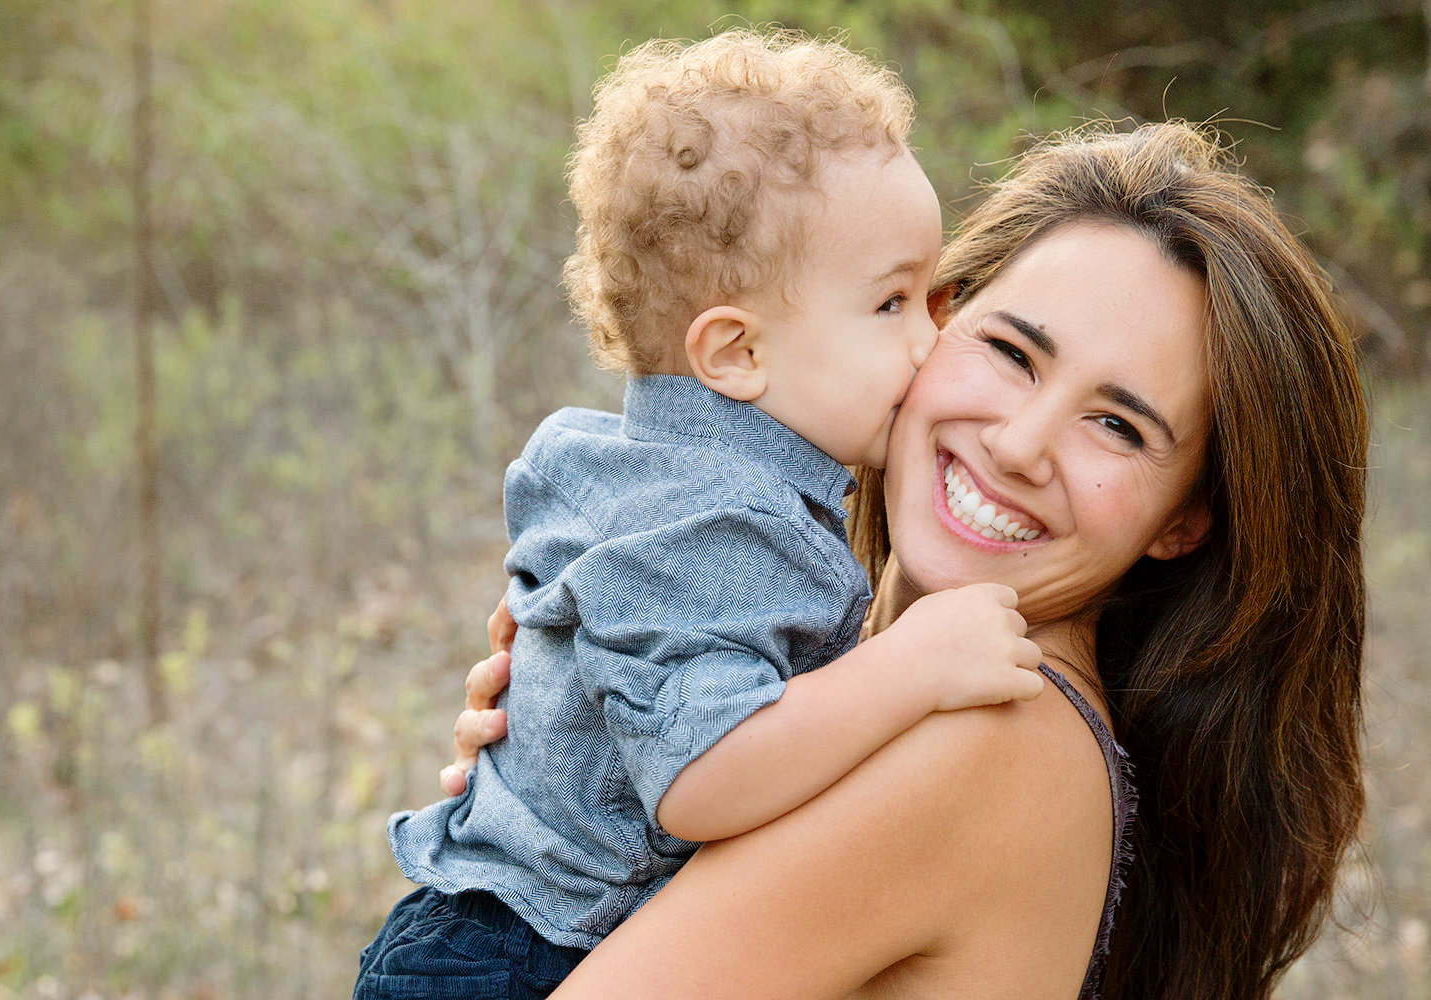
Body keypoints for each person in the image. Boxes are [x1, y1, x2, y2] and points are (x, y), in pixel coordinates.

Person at [443, 121, 1369, 999]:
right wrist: (561, 797)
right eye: (1012, 352)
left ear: (1183, 523)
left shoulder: (995, 737)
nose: (1018, 443)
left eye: (1117, 425)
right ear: (924, 322)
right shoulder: (848, 680)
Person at [354, 29, 1049, 1000]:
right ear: (735, 353)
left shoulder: (639, 473)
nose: (934, 343)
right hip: (521, 959)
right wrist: (916, 662)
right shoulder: (724, 521)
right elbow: (701, 776)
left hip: (487, 933)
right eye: (893, 304)